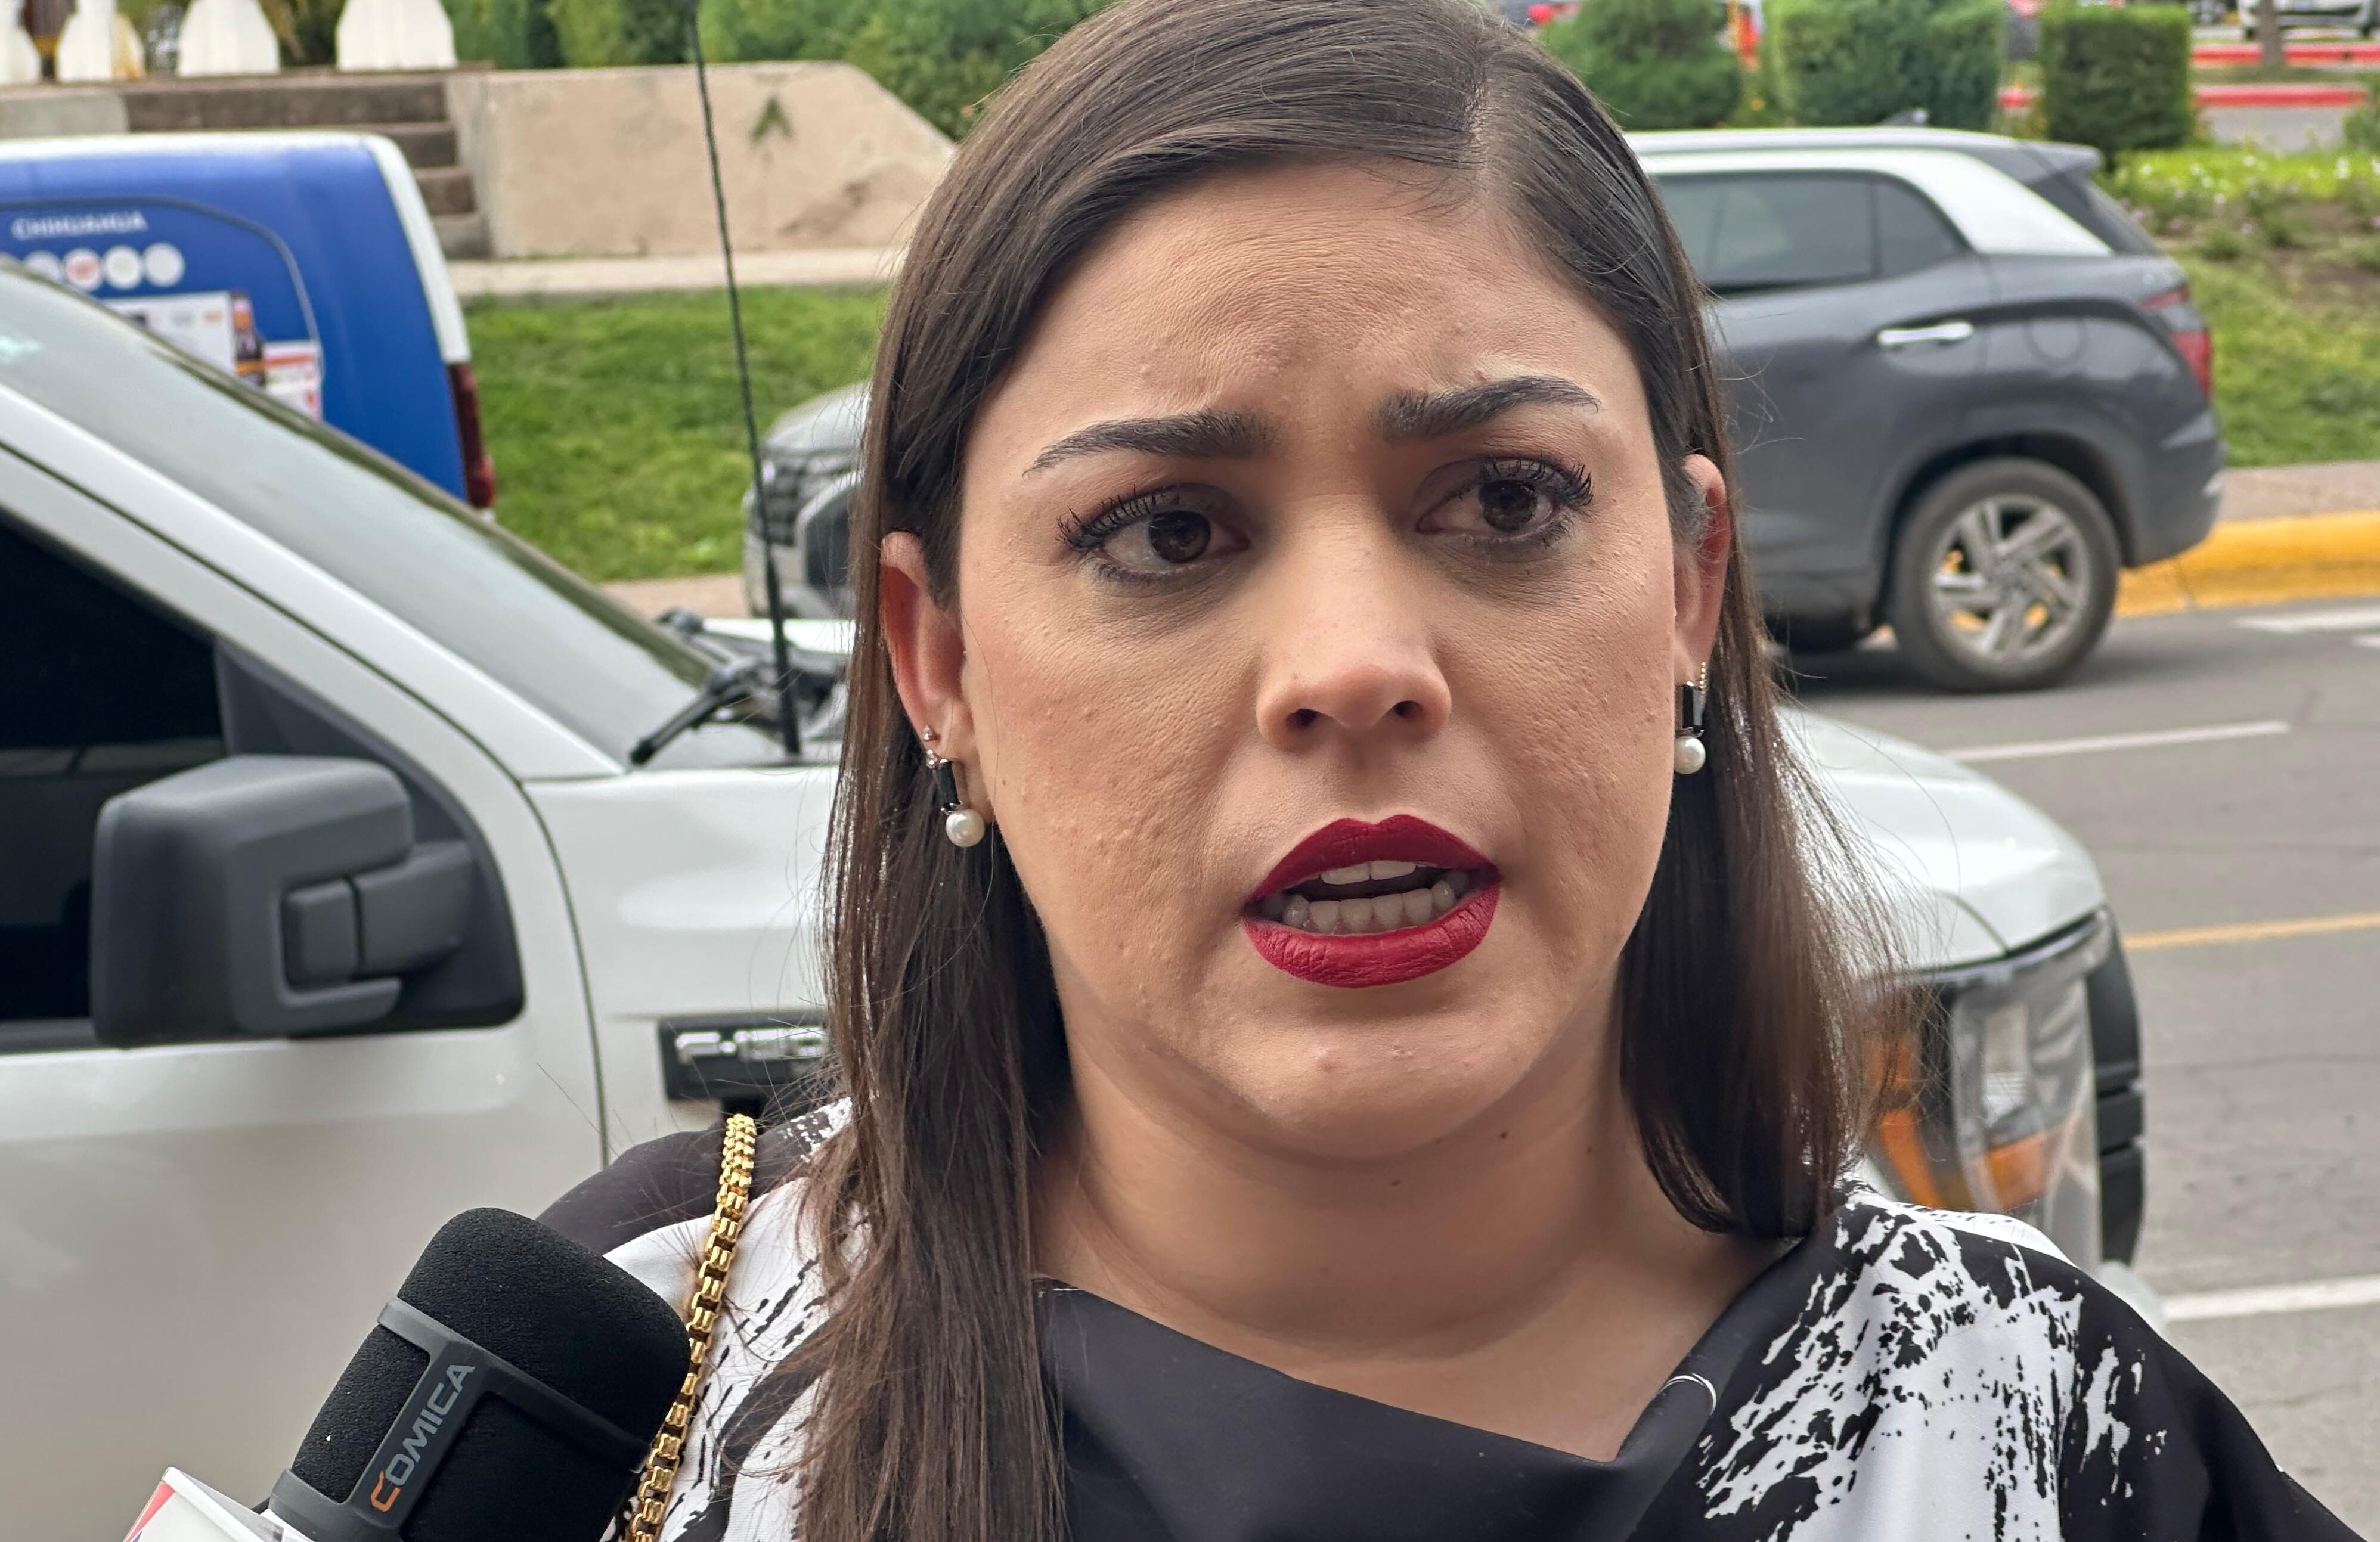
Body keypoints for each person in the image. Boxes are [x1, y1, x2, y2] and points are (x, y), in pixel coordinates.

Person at [543, 2, 2362, 1537]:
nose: (1354, 666)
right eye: (1168, 531)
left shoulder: (2054, 1447)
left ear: (1689, 584)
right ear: (936, 660)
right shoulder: (626, 1383)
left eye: (1505, 500)